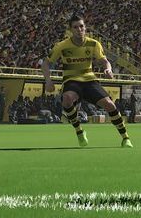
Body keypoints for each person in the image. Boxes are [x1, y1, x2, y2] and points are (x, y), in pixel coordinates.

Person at [43, 14, 132, 148]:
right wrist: (48, 80)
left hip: (89, 81)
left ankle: (125, 138)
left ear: (85, 28)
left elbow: (104, 61)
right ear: (70, 30)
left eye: (81, 26)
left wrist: (108, 69)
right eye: (75, 27)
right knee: (67, 98)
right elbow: (46, 63)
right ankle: (79, 131)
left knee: (110, 105)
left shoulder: (94, 44)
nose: (79, 29)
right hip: (72, 80)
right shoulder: (61, 46)